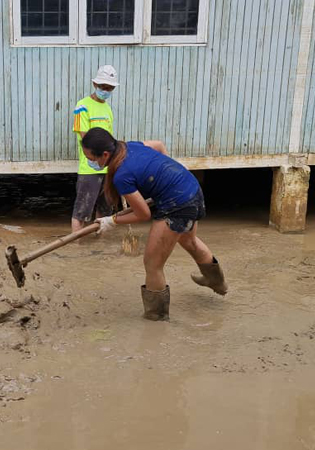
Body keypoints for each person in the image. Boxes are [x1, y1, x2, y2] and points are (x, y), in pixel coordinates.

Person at [80, 128, 228, 321]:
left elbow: (142, 213)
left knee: (152, 264)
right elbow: (158, 145)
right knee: (189, 241)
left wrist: (112, 220)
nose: (92, 162)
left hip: (177, 204)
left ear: (105, 154)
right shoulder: (129, 146)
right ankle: (218, 284)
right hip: (190, 187)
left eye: (91, 158)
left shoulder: (121, 175)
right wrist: (165, 173)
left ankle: (156, 318)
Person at [71, 65, 119, 233]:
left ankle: (100, 246)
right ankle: (76, 249)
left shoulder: (107, 108)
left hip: (107, 167)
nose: (106, 91)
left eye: (109, 88)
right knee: (82, 211)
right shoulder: (82, 106)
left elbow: (110, 138)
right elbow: (86, 139)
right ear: (94, 84)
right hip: (89, 169)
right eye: (103, 87)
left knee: (105, 212)